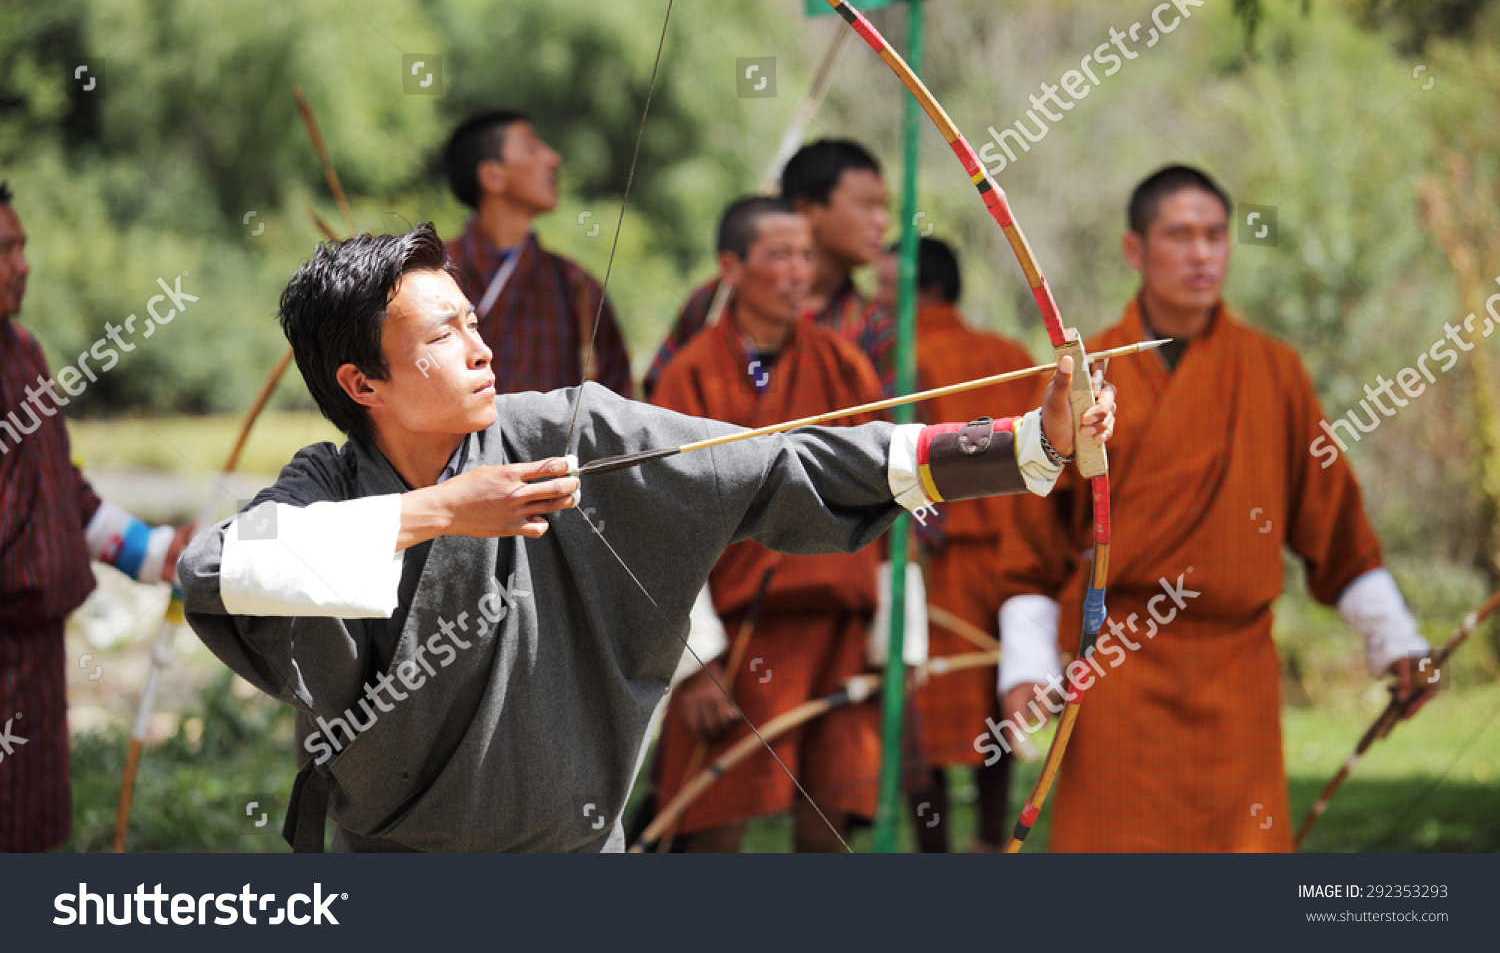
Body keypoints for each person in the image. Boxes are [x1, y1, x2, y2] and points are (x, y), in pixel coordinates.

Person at [177, 222, 1116, 852]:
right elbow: (213, 569)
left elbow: (775, 462)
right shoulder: (329, 484)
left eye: (474, 320)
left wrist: (1026, 445)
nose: (481, 348)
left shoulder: (564, 433)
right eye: (442, 334)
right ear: (362, 383)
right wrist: (448, 511)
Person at [988, 165, 1431, 852]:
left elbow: (1333, 523)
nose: (1202, 253)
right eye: (1180, 235)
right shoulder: (1087, 374)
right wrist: (1023, 665)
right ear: (1135, 250)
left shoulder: (1273, 369)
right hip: (1118, 670)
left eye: (1216, 235)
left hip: (1237, 674)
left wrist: (1395, 641)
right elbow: (1032, 546)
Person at [649, 196, 890, 852]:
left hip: (841, 625)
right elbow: (662, 520)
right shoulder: (691, 373)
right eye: (779, 255)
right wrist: (696, 661)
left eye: (807, 255)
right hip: (737, 633)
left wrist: (900, 632)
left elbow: (888, 491)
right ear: (731, 267)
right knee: (711, 817)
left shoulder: (844, 365)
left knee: (831, 817)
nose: (798, 273)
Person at [0, 182, 192, 851]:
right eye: (4, 250)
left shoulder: (23, 351)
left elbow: (62, 490)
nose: (23, 263)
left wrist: (154, 550)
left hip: (35, 651)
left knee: (28, 828)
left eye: (21, 245)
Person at [875, 237, 1038, 852]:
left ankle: (935, 851)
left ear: (929, 293)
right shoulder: (1012, 354)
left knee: (930, 706)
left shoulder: (902, 356)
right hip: (1017, 561)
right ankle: (994, 839)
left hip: (940, 558)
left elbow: (895, 462)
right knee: (999, 696)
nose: (877, 299)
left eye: (889, 287)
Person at [643, 139, 894, 396]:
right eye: (867, 205)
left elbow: (890, 427)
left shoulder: (873, 326)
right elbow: (662, 400)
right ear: (806, 210)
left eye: (884, 207)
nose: (882, 222)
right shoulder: (720, 298)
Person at [442, 110, 632, 397]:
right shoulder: (431, 273)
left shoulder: (575, 285)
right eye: (532, 149)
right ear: (492, 176)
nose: (553, 159)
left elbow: (618, 397)